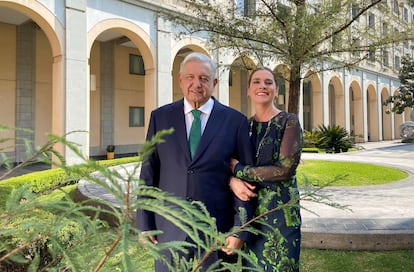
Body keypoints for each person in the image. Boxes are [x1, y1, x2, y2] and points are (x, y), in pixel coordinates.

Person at [136, 52, 255, 272]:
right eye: (190, 77)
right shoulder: (159, 118)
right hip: (168, 229)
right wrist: (144, 225)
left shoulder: (235, 121)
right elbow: (148, 174)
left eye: (203, 78)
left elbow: (244, 180)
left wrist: (240, 229)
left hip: (217, 231)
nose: (196, 84)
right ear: (180, 80)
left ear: (215, 83)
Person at [229, 67, 303, 271]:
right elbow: (226, 163)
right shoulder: (245, 126)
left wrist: (240, 170)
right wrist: (232, 179)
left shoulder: (289, 121)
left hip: (282, 218)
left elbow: (285, 170)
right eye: (257, 82)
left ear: (276, 90)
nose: (262, 86)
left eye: (268, 82)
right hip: (251, 217)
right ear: (248, 90)